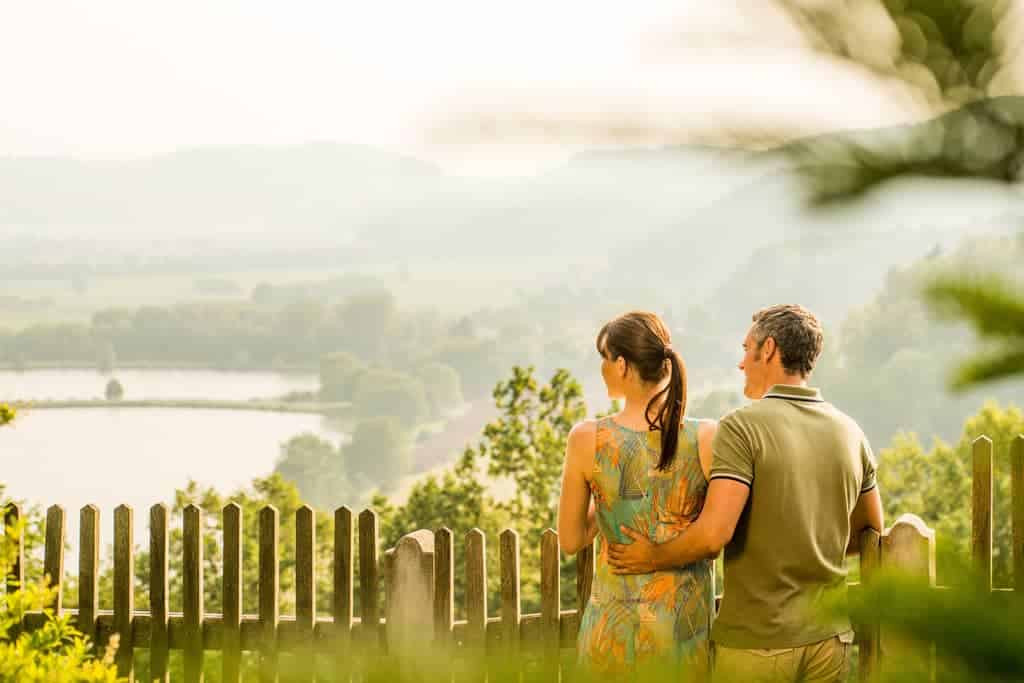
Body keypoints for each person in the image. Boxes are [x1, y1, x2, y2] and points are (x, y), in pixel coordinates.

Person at [607, 304, 884, 683]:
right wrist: (810, 544)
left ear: (768, 349)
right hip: (830, 638)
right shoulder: (850, 431)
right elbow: (871, 528)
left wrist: (650, 555)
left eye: (745, 349)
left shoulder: (742, 428)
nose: (741, 364)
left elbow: (713, 535)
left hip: (758, 643)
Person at [558, 311, 718, 675]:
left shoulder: (587, 439)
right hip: (683, 633)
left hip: (613, 631)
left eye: (604, 358)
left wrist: (608, 502)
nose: (602, 368)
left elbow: (570, 539)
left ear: (621, 365)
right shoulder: (707, 437)